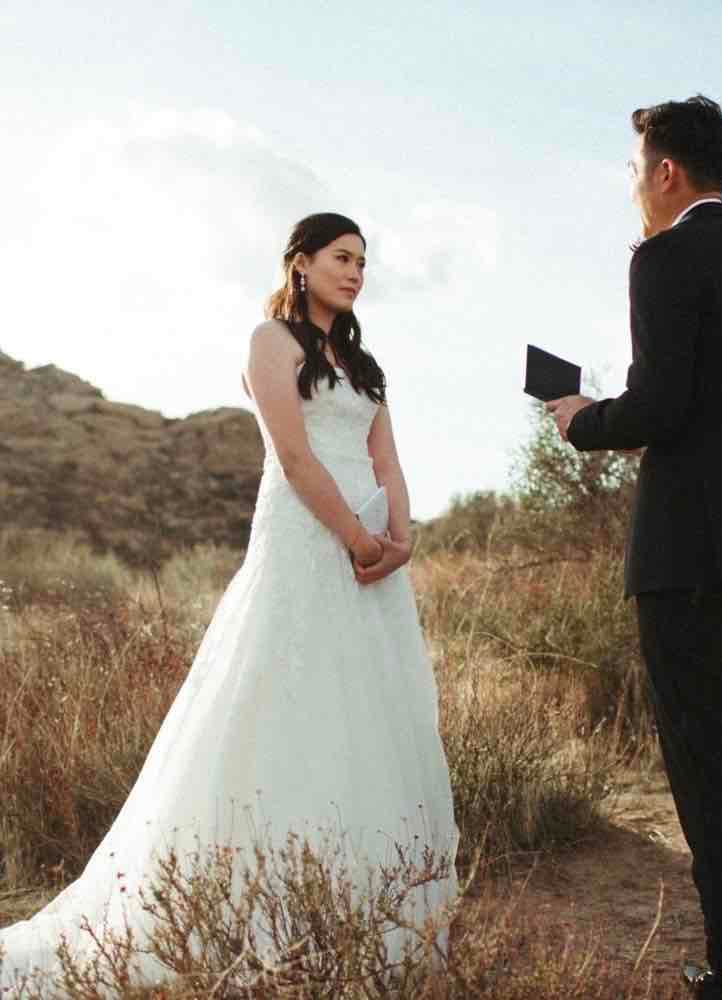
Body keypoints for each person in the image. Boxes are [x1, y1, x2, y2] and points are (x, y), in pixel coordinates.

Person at [0, 212, 460, 995]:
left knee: (372, 706)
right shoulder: (269, 342)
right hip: (308, 535)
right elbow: (291, 454)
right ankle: (253, 899)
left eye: (363, 262)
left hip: (374, 549)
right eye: (341, 258)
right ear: (303, 264)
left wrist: (401, 535)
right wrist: (351, 534)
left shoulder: (364, 361)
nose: (355, 272)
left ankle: (364, 898)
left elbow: (386, 455)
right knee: (285, 695)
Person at [546, 96, 722, 1000]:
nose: (631, 186)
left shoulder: (664, 257)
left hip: (689, 555)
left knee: (709, 775)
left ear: (665, 172)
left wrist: (583, 420)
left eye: (633, 168)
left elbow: (661, 409)